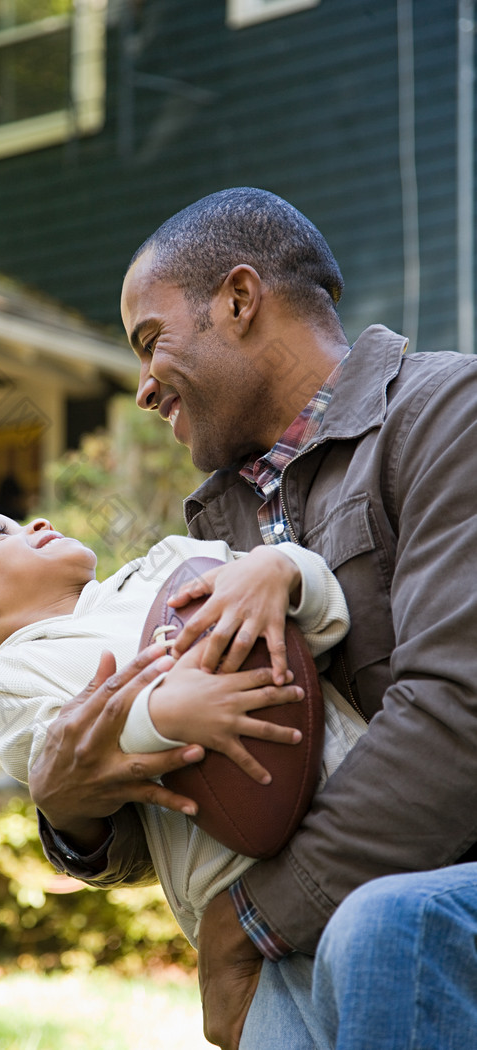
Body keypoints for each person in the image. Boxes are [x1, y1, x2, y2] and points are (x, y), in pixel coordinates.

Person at [27, 187, 477, 1050]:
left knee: (383, 928)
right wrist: (75, 812)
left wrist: (251, 923)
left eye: (151, 341)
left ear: (238, 300)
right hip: (343, 909)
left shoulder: (445, 416)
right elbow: (207, 790)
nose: (144, 387)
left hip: (432, 888)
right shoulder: (213, 528)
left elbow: (458, 716)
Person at [0, 512, 361, 948]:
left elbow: (322, 627)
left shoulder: (168, 564)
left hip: (360, 801)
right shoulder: (8, 676)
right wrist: (161, 714)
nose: (36, 522)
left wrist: (280, 570)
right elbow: (64, 750)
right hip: (246, 894)